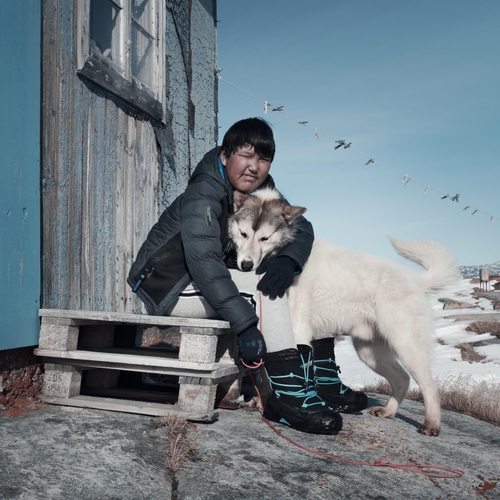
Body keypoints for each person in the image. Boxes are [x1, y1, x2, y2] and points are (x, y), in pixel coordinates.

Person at [128, 118, 366, 435]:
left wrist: (288, 261)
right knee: (265, 289)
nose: (254, 167)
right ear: (226, 156)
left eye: (263, 159)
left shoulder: (257, 191)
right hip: (167, 284)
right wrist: (244, 325)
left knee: (290, 280)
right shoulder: (204, 193)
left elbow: (301, 226)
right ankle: (290, 398)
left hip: (201, 279)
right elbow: (204, 262)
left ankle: (320, 380)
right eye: (246, 155)